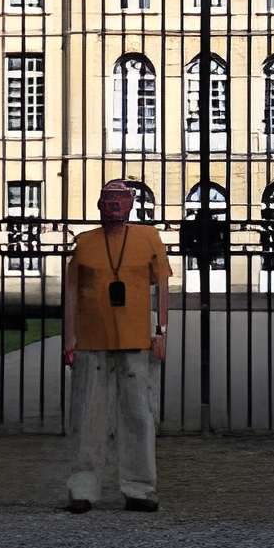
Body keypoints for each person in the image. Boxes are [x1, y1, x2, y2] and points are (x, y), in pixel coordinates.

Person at [60, 179, 169, 512]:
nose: (113, 206)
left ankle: (139, 487)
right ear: (98, 205)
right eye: (107, 200)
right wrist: (69, 339)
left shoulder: (148, 238)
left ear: (131, 205)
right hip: (92, 339)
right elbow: (71, 294)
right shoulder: (85, 244)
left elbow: (162, 286)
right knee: (87, 416)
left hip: (136, 338)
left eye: (119, 200)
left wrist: (161, 331)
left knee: (138, 415)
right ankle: (83, 487)